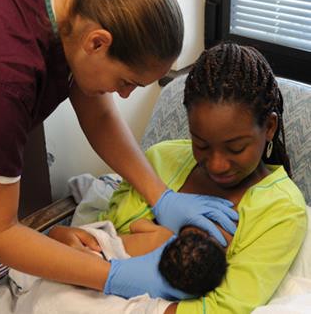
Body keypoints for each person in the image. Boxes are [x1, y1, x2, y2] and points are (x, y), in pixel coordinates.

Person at [0, 0, 238, 299]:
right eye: (126, 82)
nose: (124, 96)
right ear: (98, 43)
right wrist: (112, 275)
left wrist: (160, 195)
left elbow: (98, 112)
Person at [99, 42, 307, 312]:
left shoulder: (281, 210)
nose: (217, 165)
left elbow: (226, 307)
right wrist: (159, 241)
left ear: (269, 127)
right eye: (202, 145)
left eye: (236, 148)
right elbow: (110, 230)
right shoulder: (159, 159)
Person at [48, 218, 228, 297]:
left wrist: (151, 223)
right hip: (101, 262)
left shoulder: (164, 235)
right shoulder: (166, 291)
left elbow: (136, 225)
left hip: (102, 249)